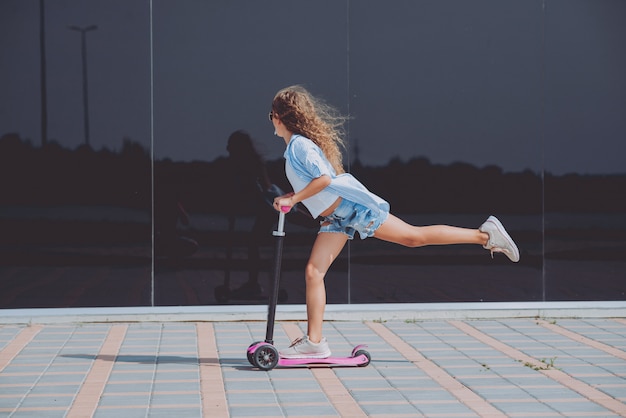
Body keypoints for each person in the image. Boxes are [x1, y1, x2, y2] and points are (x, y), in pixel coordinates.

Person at [269, 85, 520, 359]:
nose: (271, 120)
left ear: (279, 117)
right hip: (336, 218)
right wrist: (291, 196)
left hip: (353, 210)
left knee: (413, 237)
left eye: (271, 114)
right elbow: (316, 184)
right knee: (313, 273)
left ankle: (485, 236)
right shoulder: (297, 147)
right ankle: (315, 343)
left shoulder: (299, 146)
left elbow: (324, 180)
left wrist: (293, 201)